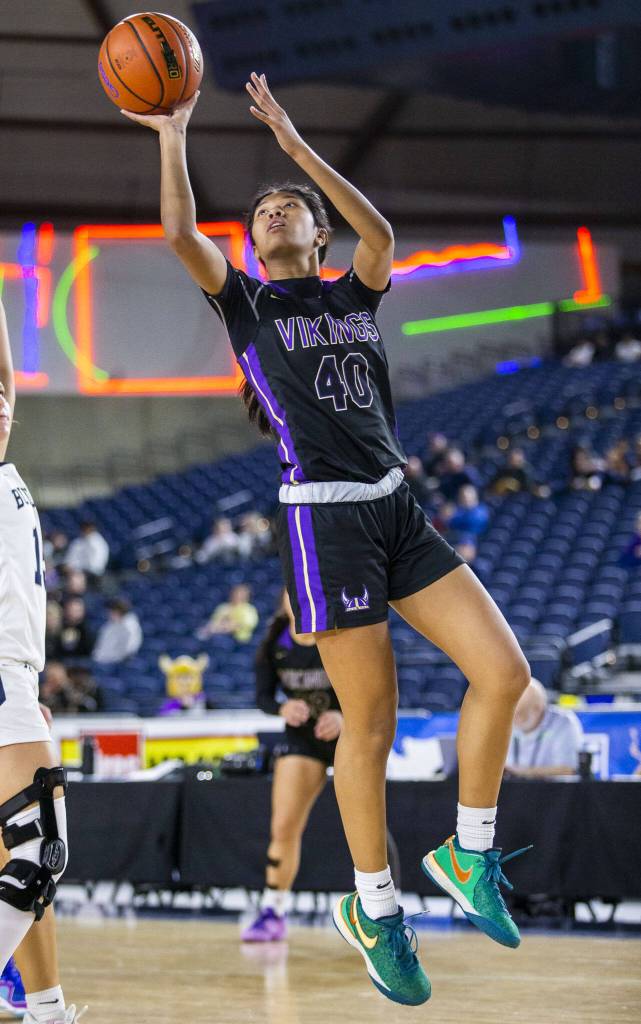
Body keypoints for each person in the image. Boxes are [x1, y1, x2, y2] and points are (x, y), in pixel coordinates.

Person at [123, 72, 531, 1006]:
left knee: (503, 673)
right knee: (372, 722)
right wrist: (172, 131)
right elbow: (182, 233)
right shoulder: (246, 308)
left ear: (314, 232)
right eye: (261, 210)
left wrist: (298, 150)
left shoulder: (356, 288)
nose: (269, 215)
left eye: (285, 208)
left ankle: (468, 859)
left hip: (394, 504)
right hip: (322, 519)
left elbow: (382, 237)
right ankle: (374, 907)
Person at [0, 296, 83, 1022]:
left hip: (14, 680)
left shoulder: (4, 466)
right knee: (40, 850)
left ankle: (48, 1007)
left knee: (16, 862)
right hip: (1, 682)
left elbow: (6, 382)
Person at [242, 590, 342, 942]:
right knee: (283, 826)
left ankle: (385, 908)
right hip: (304, 738)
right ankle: (273, 910)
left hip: (352, 735)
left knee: (369, 826)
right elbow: (263, 697)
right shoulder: (274, 639)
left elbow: (381, 687)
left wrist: (345, 716)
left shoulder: (343, 628)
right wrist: (282, 709)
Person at [505, 679, 583, 778]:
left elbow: (569, 770)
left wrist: (521, 772)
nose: (516, 717)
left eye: (522, 712)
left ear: (538, 708)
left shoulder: (563, 723)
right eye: (513, 711)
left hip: (552, 790)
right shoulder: (504, 721)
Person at [92, 597, 142, 665]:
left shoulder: (130, 627)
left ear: (117, 611)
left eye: (111, 610)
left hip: (116, 665)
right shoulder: (109, 625)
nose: (108, 612)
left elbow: (129, 650)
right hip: (101, 662)